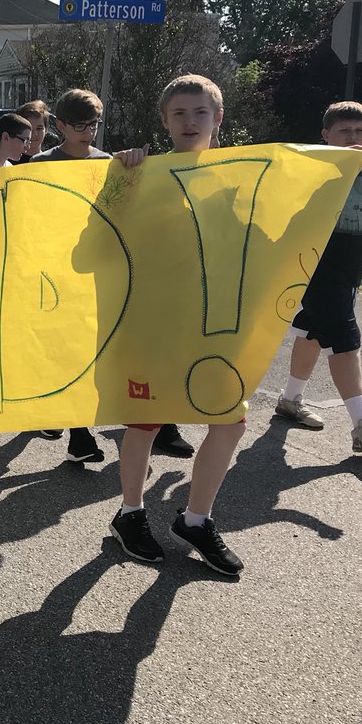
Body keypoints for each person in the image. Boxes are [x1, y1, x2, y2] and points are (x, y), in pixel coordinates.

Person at [109, 74, 245, 575]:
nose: (190, 121)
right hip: (153, 322)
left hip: (214, 324)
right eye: (179, 113)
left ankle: (195, 519)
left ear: (218, 117)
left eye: (200, 112)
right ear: (164, 120)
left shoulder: (239, 173)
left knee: (230, 422)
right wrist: (121, 180)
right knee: (145, 422)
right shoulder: (143, 172)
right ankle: (130, 513)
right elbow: (97, 233)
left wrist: (342, 162)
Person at [26, 89, 153, 462]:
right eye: (80, 125)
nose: (89, 132)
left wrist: (134, 166)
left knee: (95, 350)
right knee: (68, 351)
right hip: (56, 271)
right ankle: (78, 435)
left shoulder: (108, 162)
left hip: (98, 270)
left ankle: (80, 428)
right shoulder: (41, 164)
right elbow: (29, 218)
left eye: (94, 124)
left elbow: (125, 209)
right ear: (60, 125)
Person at [275, 100, 362, 452]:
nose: (354, 137)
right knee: (345, 338)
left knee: (312, 330)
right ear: (326, 135)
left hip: (352, 274)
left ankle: (290, 400)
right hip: (316, 270)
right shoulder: (312, 171)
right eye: (344, 131)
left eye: (359, 131)